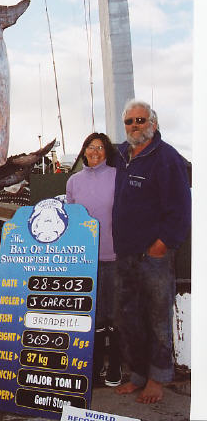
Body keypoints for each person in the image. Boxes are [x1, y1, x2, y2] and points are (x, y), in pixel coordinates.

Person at [113, 99, 191, 404]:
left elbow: (181, 209)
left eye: (141, 120)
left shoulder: (167, 158)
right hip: (125, 255)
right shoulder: (121, 154)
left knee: (157, 319)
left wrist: (161, 246)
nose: (135, 126)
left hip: (153, 257)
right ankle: (137, 375)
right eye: (130, 121)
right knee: (128, 318)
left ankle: (158, 378)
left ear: (153, 123)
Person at [65, 132, 121, 387]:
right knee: (93, 315)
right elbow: (69, 221)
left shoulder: (118, 176)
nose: (95, 151)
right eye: (90, 146)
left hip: (116, 256)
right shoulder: (73, 181)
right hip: (85, 260)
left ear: (107, 151)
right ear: (84, 150)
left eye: (100, 147)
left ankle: (115, 367)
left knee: (115, 314)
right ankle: (95, 365)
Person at [0, 180, 31, 280]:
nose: (12, 193)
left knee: (21, 277)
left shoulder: (30, 196)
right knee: (0, 277)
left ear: (22, 185)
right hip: (1, 242)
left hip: (23, 245)